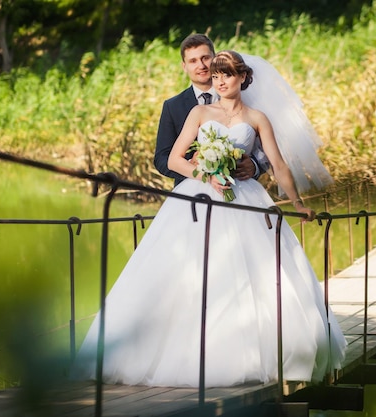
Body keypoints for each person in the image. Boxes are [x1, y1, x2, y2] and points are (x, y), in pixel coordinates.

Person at [71, 50, 346, 387]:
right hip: (199, 200)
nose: (219, 81)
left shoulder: (258, 118)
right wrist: (205, 173)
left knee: (257, 273)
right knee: (188, 274)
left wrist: (298, 202)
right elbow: (174, 159)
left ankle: (257, 353)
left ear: (242, 77)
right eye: (215, 76)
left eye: (226, 75)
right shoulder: (200, 112)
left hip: (245, 199)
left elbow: (278, 164)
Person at [154, 33, 267, 186]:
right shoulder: (173, 106)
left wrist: (254, 166)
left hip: (239, 186)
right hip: (191, 191)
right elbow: (161, 158)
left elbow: (267, 148)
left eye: (205, 58)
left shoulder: (244, 99)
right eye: (193, 61)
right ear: (184, 66)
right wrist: (196, 166)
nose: (201, 65)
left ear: (215, 58)